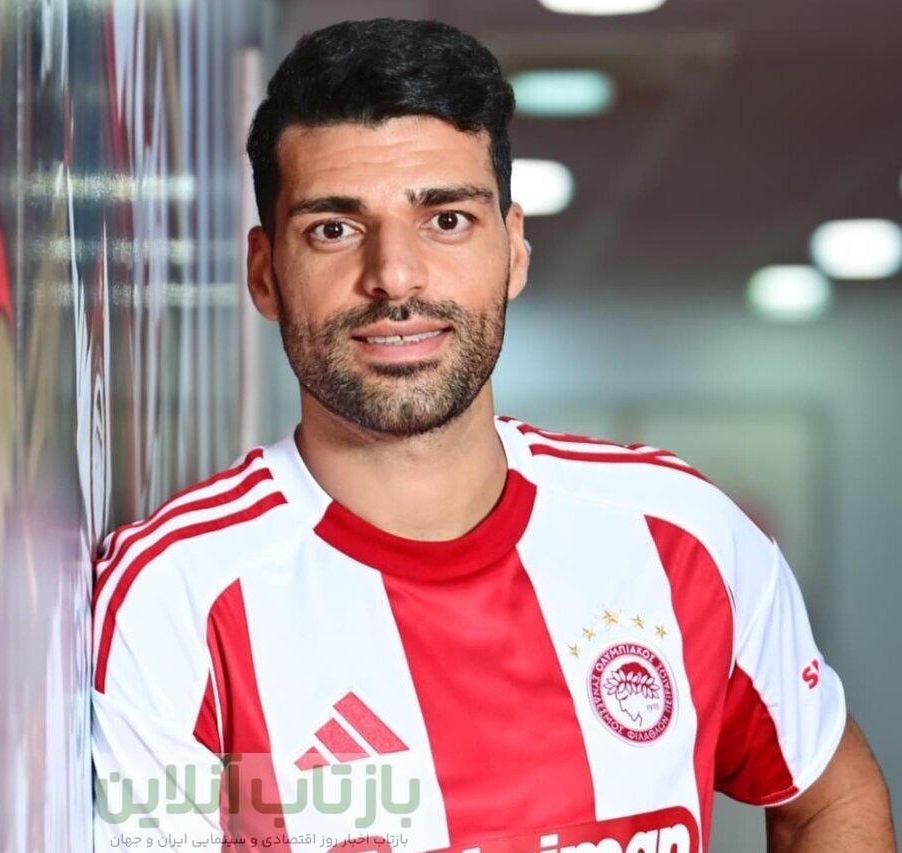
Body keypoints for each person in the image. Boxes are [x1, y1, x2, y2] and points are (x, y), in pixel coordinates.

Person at [91, 18, 894, 852]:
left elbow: (826, 794)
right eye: (333, 228)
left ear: (513, 249)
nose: (394, 276)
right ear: (265, 272)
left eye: (446, 219)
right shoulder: (176, 597)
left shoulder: (683, 535)